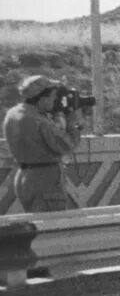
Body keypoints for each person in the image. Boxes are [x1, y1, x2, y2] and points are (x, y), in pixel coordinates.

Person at [5, 75, 81, 213]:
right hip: (45, 181)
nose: (54, 100)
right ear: (41, 98)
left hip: (24, 176)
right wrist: (72, 121)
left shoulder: (13, 114)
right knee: (52, 228)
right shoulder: (40, 122)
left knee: (37, 227)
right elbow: (67, 145)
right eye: (52, 97)